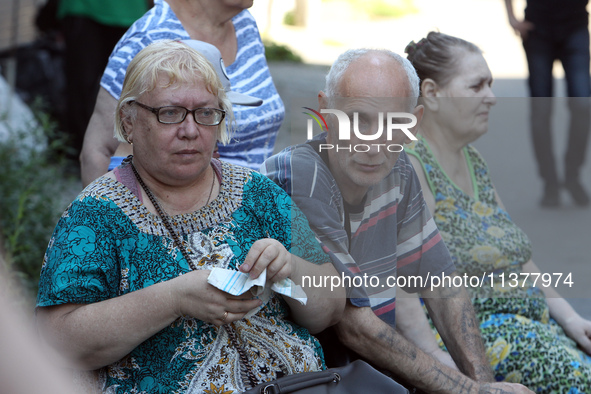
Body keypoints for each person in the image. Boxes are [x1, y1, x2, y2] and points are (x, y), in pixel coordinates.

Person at [35, 40, 344, 393]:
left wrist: (288, 266)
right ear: (129, 121)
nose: (190, 129)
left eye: (205, 113)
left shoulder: (259, 194)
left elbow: (331, 306)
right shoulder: (96, 214)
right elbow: (56, 342)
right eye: (170, 113)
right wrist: (173, 299)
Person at [260, 48, 533, 393]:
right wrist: (472, 392)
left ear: (413, 122)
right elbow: (353, 325)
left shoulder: (398, 169)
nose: (373, 144)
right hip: (311, 379)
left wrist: (485, 385)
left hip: (364, 377)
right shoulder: (301, 174)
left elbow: (442, 284)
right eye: (358, 120)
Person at [404, 31, 591, 392]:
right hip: (484, 339)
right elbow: (404, 284)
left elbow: (517, 256)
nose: (492, 97)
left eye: (491, 84)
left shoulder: (473, 161)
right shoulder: (412, 167)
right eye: (477, 87)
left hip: (533, 328)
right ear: (431, 92)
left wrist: (570, 317)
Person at [80, 0, 284, 186]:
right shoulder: (149, 37)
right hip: (175, 214)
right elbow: (98, 150)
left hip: (253, 209)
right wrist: (107, 220)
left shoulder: (243, 24)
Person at [504, 0, 591, 207]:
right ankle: (550, 183)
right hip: (538, 29)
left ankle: (572, 176)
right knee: (541, 111)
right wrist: (512, 18)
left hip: (575, 26)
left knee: (583, 103)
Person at [58, 0, 150, 160]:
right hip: (84, 9)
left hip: (130, 12)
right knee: (81, 87)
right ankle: (80, 156)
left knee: (135, 86)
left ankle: (135, 154)